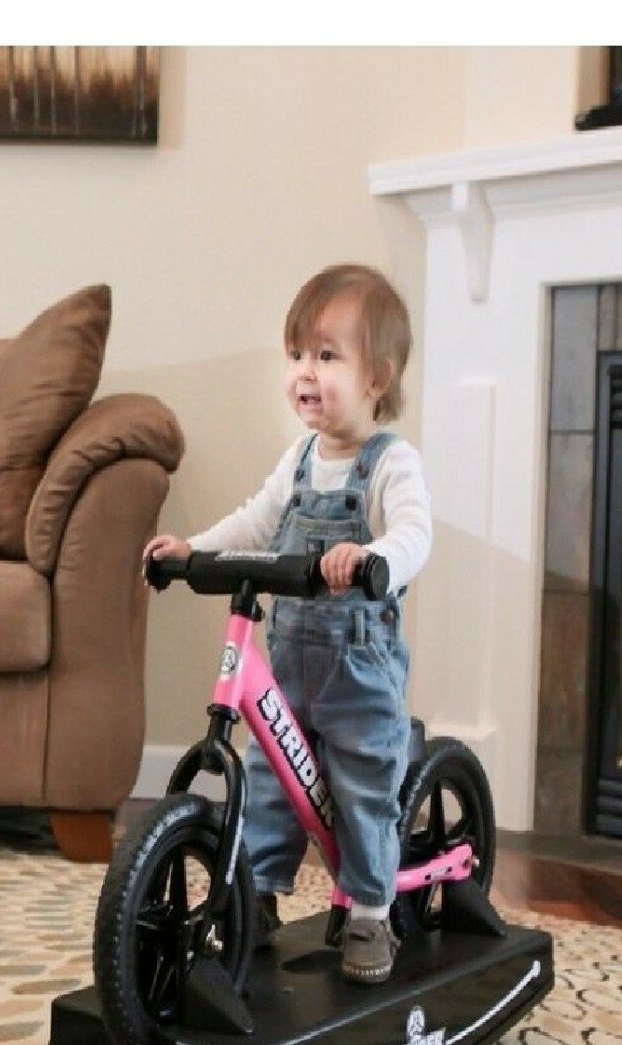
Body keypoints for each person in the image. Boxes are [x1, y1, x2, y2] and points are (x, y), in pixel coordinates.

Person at [145, 264, 432, 984]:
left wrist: (371, 559)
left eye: (327, 356)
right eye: (298, 354)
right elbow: (256, 522)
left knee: (363, 787)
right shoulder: (300, 460)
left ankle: (370, 912)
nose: (306, 371)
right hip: (293, 664)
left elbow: (414, 534)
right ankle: (261, 896)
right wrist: (193, 551)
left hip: (358, 672)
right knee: (271, 780)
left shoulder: (390, 464)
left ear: (376, 378)